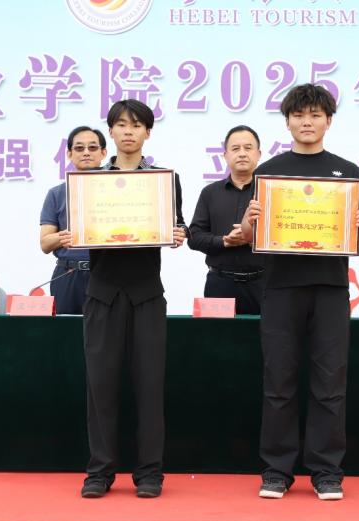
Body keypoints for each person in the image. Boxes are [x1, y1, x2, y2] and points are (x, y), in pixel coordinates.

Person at [241, 84, 359, 501]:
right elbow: (249, 234)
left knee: (330, 381)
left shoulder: (347, 172)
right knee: (278, 380)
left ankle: (327, 471)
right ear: (287, 122)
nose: (307, 122)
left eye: (316, 115)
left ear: (328, 121)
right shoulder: (269, 172)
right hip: (281, 286)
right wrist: (248, 221)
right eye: (299, 115)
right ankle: (276, 470)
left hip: (330, 287)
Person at [80, 99, 186, 500]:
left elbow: (175, 227)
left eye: (136, 125)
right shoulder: (91, 182)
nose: (128, 131)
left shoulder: (163, 180)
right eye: (121, 124)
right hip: (102, 293)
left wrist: (177, 235)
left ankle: (149, 473)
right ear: (111, 132)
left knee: (149, 385)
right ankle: (100, 471)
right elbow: (81, 228)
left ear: (147, 133)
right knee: (100, 386)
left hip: (146, 294)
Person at [188, 125, 265, 315]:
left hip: (264, 285)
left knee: (268, 334)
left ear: (259, 154)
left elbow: (283, 237)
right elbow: (194, 237)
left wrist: (253, 239)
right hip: (219, 284)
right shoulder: (210, 193)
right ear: (225, 155)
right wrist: (224, 241)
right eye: (235, 148)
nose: (242, 154)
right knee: (217, 334)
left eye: (248, 148)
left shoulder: (271, 193)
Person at [39, 126, 107, 314]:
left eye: (92, 148)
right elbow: (45, 244)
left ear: (103, 153)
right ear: (69, 154)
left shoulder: (116, 191)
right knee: (66, 330)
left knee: (106, 330)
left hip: (106, 275)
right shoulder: (56, 194)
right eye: (79, 148)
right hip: (67, 275)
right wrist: (68, 236)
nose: (86, 152)